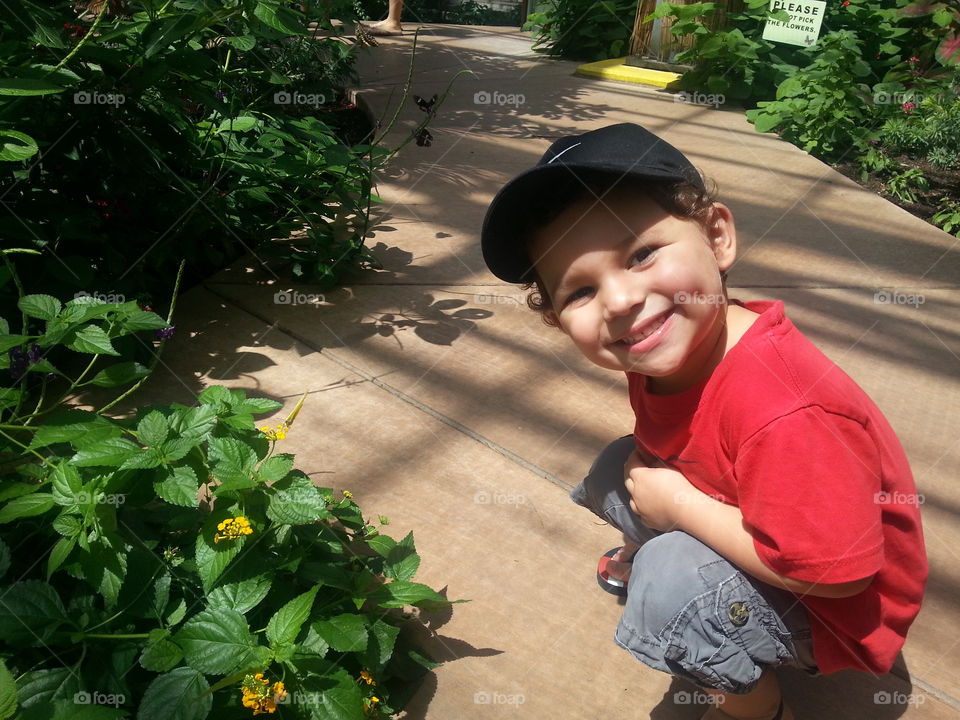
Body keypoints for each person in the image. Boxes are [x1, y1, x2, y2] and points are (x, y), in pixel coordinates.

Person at [479, 123, 927, 720]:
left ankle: (757, 709)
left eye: (641, 254)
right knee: (618, 466)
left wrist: (682, 511)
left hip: (832, 610)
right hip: (755, 521)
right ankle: (692, 568)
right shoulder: (677, 342)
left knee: (669, 585)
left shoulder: (787, 409)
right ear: (558, 320)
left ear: (717, 237)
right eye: (579, 292)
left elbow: (836, 578)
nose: (618, 301)